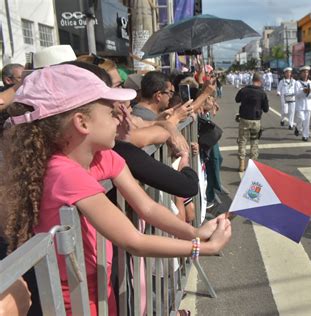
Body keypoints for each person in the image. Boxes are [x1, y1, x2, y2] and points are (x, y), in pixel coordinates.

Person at [2, 64, 231, 315]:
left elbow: (148, 207)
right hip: (74, 304)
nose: (121, 117)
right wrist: (203, 248)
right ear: (82, 122)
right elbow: (134, 241)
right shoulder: (63, 173)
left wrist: (194, 232)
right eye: (111, 112)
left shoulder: (103, 157)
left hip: (99, 292)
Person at [235, 73, 269, 172]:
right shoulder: (262, 93)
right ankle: (253, 165)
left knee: (242, 141)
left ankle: (241, 164)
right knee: (254, 142)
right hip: (256, 120)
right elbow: (266, 109)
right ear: (260, 81)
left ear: (252, 80)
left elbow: (237, 99)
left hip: (244, 119)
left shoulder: (244, 90)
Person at [295, 65, 311, 141]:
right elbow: (296, 94)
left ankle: (305, 135)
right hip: (300, 105)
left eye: (307, 72)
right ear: (301, 73)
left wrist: (309, 92)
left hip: (308, 106)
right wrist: (303, 91)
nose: (305, 74)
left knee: (306, 122)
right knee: (300, 119)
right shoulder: (297, 83)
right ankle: (298, 128)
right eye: (304, 72)